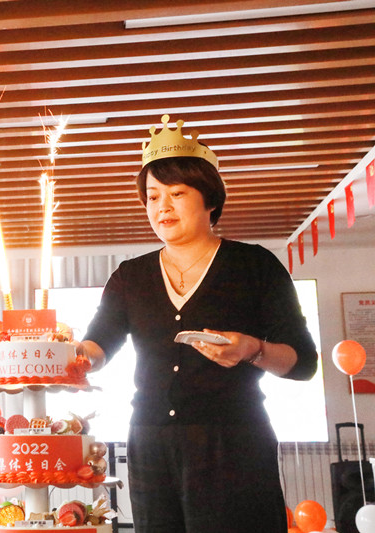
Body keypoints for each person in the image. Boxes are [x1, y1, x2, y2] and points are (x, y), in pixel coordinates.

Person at [78, 115, 318, 533]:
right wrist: (57, 357)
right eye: (152, 196)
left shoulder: (254, 265)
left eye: (177, 193)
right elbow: (98, 346)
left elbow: (304, 363)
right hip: (150, 441)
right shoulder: (130, 276)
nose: (162, 207)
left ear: (209, 199)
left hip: (232, 441)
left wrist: (253, 349)